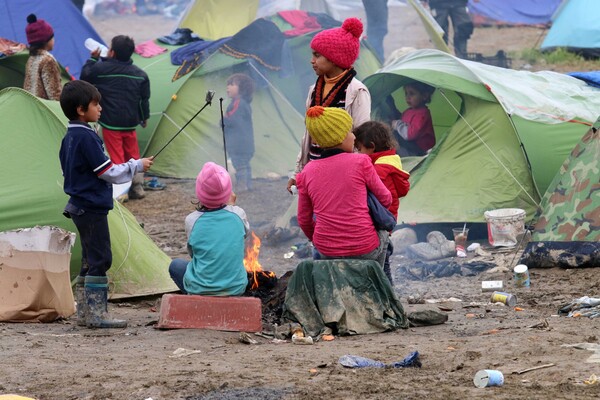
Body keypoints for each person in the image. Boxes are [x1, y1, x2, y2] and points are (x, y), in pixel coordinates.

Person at [58, 80, 153, 328]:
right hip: (91, 207)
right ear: (81, 109)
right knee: (101, 259)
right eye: (95, 104)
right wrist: (136, 166)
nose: (100, 108)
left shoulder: (70, 136)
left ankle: (85, 314)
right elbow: (107, 172)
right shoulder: (86, 137)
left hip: (78, 205)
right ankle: (96, 315)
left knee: (90, 259)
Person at [296, 106, 392, 267]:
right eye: (350, 132)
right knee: (384, 234)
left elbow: (304, 219)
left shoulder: (307, 172)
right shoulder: (360, 162)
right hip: (364, 248)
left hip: (326, 251)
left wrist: (322, 241)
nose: (354, 137)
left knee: (317, 247)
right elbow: (386, 199)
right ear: (340, 137)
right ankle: (378, 279)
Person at [287, 17, 371, 193]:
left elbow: (361, 137)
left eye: (317, 55)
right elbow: (308, 135)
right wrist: (298, 173)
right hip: (315, 170)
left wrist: (354, 177)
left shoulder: (356, 92)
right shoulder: (314, 90)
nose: (312, 60)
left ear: (335, 58)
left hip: (343, 175)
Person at [80, 35, 150, 200]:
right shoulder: (140, 75)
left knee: (117, 156)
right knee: (133, 154)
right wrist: (144, 116)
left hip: (111, 123)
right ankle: (137, 186)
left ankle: (121, 191)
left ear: (111, 52)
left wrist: (92, 58)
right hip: (130, 123)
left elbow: (85, 77)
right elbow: (143, 99)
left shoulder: (100, 70)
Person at [168, 162, 249, 296]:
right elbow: (244, 235)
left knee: (176, 265)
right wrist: (232, 207)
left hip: (199, 291)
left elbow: (194, 254)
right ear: (229, 192)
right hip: (235, 289)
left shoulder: (191, 220)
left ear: (199, 192)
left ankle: (198, 301)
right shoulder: (239, 214)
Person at [354, 121, 411, 284]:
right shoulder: (390, 161)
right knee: (384, 262)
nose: (358, 153)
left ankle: (388, 295)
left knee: (381, 266)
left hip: (379, 223)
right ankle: (389, 294)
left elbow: (374, 199)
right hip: (387, 221)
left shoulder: (378, 170)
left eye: (360, 149)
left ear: (371, 146)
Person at [224, 73, 255, 192]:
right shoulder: (243, 103)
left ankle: (242, 186)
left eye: (231, 85)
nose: (228, 88)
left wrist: (223, 121)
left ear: (242, 88)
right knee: (245, 164)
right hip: (246, 143)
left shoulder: (239, 103)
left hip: (239, 144)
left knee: (239, 165)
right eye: (227, 85)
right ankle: (248, 185)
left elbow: (233, 118)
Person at [391, 80, 436, 157]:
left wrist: (397, 124)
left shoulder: (423, 114)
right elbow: (403, 121)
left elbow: (409, 135)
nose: (408, 97)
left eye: (412, 93)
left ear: (424, 96)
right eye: (406, 93)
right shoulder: (409, 111)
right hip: (410, 146)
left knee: (393, 137)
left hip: (418, 150)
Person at [23, 14, 62, 101]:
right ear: (46, 40)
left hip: (32, 108)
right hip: (45, 110)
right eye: (52, 37)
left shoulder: (31, 59)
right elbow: (54, 93)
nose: (54, 40)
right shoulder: (48, 60)